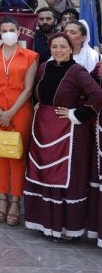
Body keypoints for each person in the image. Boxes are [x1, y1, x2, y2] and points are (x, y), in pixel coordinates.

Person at [24, 33, 102, 241]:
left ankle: (67, 228)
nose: (58, 50)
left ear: (71, 49)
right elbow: (37, 91)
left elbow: (98, 95)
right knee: (43, 175)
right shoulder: (44, 68)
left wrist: (76, 114)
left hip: (67, 131)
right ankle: (45, 223)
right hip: (42, 128)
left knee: (65, 178)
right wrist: (39, 103)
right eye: (55, 47)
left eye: (63, 47)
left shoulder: (77, 71)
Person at [0, 17, 39, 225]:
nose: (8, 33)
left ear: (18, 31)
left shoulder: (30, 55)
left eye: (11, 29)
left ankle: (16, 200)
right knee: (0, 153)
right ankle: (2, 199)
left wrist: (11, 112)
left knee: (17, 154)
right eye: (4, 29)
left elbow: (29, 89)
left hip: (19, 108)